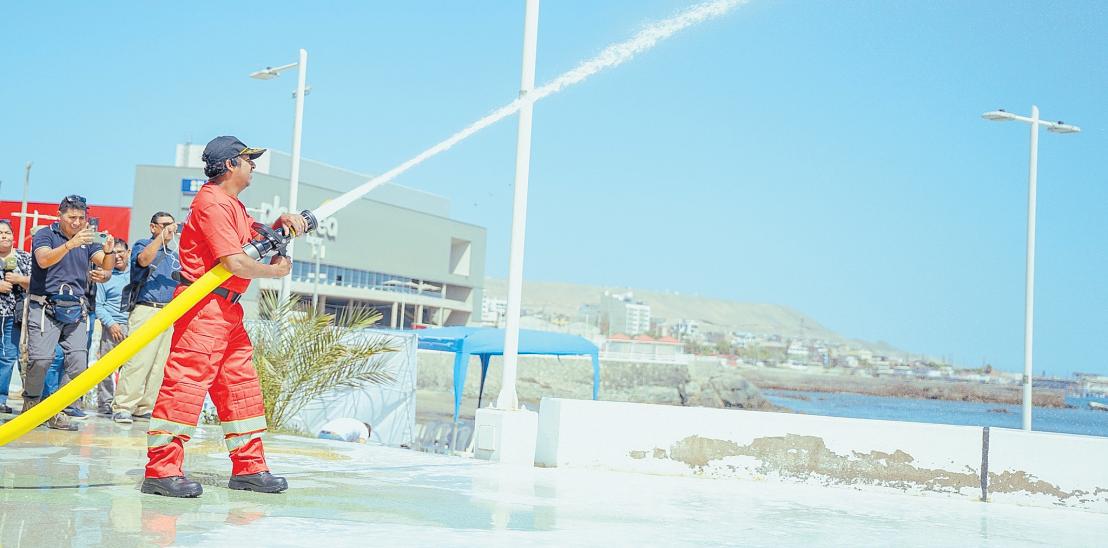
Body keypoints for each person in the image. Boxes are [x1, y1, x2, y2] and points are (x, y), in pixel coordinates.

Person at [142, 136, 307, 498]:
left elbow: (253, 239)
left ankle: (249, 468)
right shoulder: (212, 203)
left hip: (226, 309)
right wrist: (276, 272)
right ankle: (161, 471)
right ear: (231, 164)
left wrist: (281, 224)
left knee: (239, 386)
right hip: (204, 307)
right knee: (185, 385)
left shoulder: (232, 205)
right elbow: (234, 262)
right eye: (248, 159)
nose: (254, 165)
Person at [23, 195, 115, 431]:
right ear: (59, 215)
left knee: (77, 364)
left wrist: (109, 254)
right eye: (72, 217)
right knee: (41, 360)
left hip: (76, 308)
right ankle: (31, 405)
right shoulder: (45, 234)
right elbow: (43, 260)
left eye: (81, 218)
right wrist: (70, 244)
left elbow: (105, 266)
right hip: (44, 306)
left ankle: (57, 410)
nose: (77, 223)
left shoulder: (88, 238)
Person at [113, 212, 179, 424]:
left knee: (159, 364)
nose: (170, 228)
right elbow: (143, 260)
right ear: (153, 227)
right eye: (164, 224)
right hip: (146, 309)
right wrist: (161, 238)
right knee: (138, 360)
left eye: (172, 224)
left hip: (168, 311)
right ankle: (124, 405)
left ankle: (145, 407)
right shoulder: (143, 244)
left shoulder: (175, 255)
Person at [94, 240, 129, 415]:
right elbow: (98, 305)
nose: (118, 256)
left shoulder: (136, 274)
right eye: (113, 253)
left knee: (130, 369)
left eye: (121, 252)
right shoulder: (104, 276)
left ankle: (124, 404)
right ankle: (105, 404)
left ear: (128, 252)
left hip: (133, 326)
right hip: (112, 328)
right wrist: (111, 324)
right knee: (106, 368)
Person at [0, 220, 31, 415]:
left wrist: (18, 279)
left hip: (14, 315)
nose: (4, 236)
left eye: (7, 232)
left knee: (7, 357)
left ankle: (1, 399)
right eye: (0, 233)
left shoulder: (24, 257)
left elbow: (36, 282)